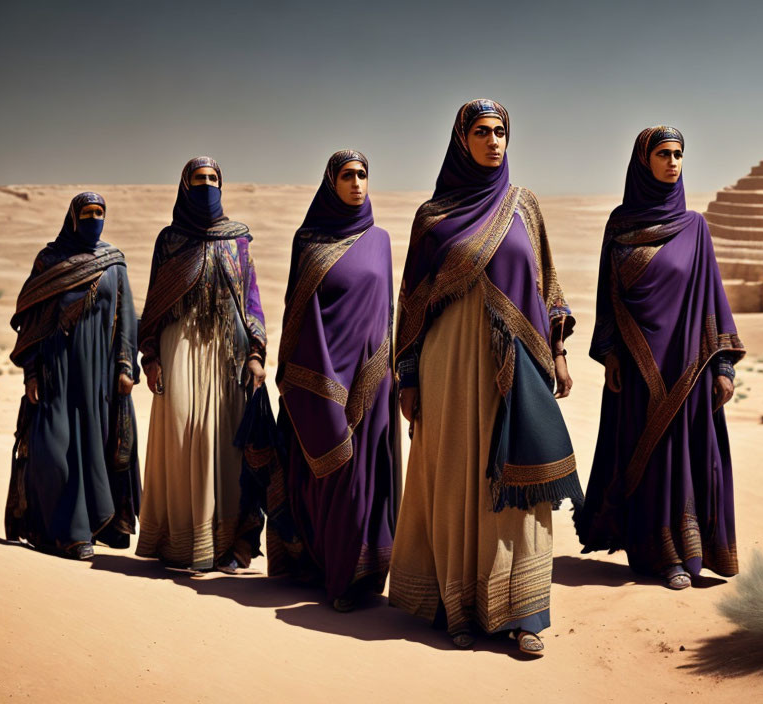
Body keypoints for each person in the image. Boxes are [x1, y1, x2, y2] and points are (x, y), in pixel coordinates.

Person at [389, 99, 582, 655]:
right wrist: (408, 377)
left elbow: (548, 284)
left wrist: (560, 352)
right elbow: (413, 303)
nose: (494, 141)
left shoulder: (526, 207)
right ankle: (459, 608)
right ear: (461, 140)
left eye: (501, 132)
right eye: (482, 132)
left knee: (518, 482)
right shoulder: (432, 218)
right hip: (447, 365)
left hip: (516, 365)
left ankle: (524, 614)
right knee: (453, 480)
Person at [575, 126, 745, 590]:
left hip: (688, 366)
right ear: (643, 161)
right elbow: (607, 294)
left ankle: (689, 554)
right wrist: (609, 353)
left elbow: (712, 298)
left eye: (679, 154)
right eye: (663, 154)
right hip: (635, 367)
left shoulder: (695, 226)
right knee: (646, 459)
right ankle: (658, 557)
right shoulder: (620, 224)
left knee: (686, 457)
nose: (673, 162)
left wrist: (723, 366)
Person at [273, 150, 400, 611]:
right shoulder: (308, 242)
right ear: (331, 182)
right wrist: (312, 379)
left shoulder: (380, 239)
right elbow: (296, 316)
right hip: (321, 379)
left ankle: (358, 578)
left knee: (366, 481)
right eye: (348, 175)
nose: (358, 183)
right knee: (326, 480)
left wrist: (387, 371)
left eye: (364, 174)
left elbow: (385, 313)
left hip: (373, 379)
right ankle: (325, 570)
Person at [136, 156, 267, 571]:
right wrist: (151, 355)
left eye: (213, 179)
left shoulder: (237, 239)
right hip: (178, 348)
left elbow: (251, 300)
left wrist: (257, 353)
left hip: (227, 353)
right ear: (185, 186)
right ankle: (178, 543)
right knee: (179, 436)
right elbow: (155, 301)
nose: (207, 185)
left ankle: (228, 545)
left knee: (224, 445)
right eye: (199, 179)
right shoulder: (170, 240)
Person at [6, 192, 140, 560]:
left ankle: (78, 534)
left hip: (98, 375)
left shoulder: (114, 262)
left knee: (93, 451)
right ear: (73, 218)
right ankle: (56, 529)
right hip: (55, 372)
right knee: (54, 450)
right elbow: (31, 323)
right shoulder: (49, 261)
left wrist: (126, 368)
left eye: (100, 212)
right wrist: (31, 372)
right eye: (87, 213)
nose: (94, 218)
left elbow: (127, 318)